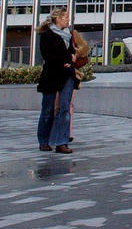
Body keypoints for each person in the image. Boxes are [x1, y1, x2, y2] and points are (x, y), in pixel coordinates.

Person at [36, 8, 76, 154]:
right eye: (65, 17)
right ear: (57, 18)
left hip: (67, 75)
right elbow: (47, 55)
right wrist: (64, 60)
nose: (68, 20)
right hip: (52, 75)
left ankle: (61, 142)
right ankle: (44, 140)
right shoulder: (47, 35)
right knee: (48, 109)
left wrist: (71, 58)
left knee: (64, 109)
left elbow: (72, 52)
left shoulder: (69, 35)